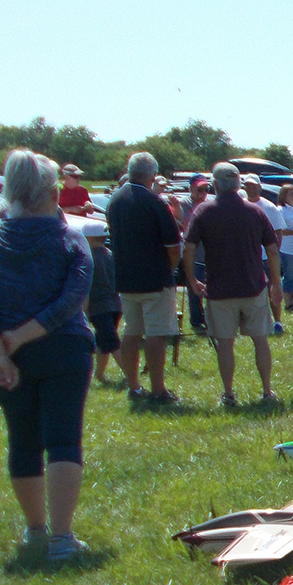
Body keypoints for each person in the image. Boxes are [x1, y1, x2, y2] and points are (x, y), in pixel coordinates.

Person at [0, 150, 95, 561]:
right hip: (64, 350)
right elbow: (71, 298)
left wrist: (0, 351)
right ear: (53, 193)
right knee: (63, 439)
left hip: (7, 357)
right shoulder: (69, 238)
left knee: (22, 442)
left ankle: (35, 531)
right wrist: (20, 338)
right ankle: (62, 538)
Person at [182, 162, 280, 407]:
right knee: (260, 339)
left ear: (214, 184)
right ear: (239, 184)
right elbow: (272, 249)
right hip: (253, 286)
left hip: (220, 289)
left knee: (225, 343)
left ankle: (228, 394)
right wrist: (276, 282)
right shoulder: (255, 211)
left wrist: (192, 279)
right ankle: (267, 391)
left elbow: (189, 247)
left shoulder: (204, 211)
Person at [106, 151, 182, 404]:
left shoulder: (114, 201)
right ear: (151, 175)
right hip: (154, 279)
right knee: (155, 334)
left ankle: (134, 386)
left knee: (131, 332)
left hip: (126, 278)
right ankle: (158, 389)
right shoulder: (154, 202)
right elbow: (173, 245)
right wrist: (169, 270)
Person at [242, 174, 287, 334]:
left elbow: (278, 233)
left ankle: (277, 322)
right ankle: (251, 321)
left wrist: (273, 254)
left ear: (260, 187)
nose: (251, 189)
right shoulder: (241, 205)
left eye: (254, 186)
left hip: (266, 257)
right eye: (248, 186)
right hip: (247, 258)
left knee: (273, 288)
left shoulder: (269, 207)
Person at [86, 227, 121, 384]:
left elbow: (86, 286)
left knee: (112, 342)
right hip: (115, 305)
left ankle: (130, 375)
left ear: (90, 238)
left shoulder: (89, 258)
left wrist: (84, 310)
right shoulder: (110, 254)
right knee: (103, 341)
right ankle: (99, 375)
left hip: (99, 306)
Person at [177, 175, 211, 331]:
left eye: (206, 189)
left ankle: (210, 318)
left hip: (209, 252)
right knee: (194, 287)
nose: (203, 192)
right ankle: (196, 320)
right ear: (191, 188)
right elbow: (184, 224)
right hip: (193, 253)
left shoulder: (210, 203)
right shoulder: (183, 204)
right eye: (199, 189)